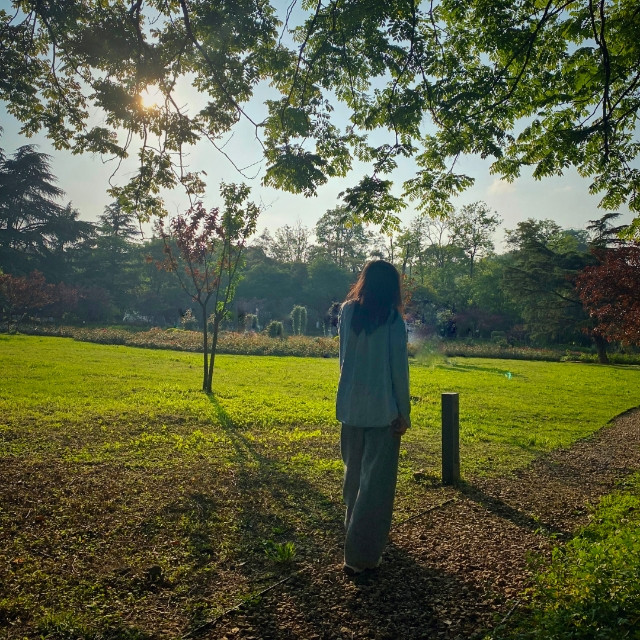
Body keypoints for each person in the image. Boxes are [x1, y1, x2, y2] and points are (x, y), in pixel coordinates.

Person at [336, 259, 411, 575]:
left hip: (350, 409)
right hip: (383, 412)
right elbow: (398, 370)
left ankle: (354, 540)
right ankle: (361, 556)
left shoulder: (347, 312)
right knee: (375, 488)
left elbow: (343, 359)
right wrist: (404, 412)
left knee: (353, 481)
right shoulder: (393, 320)